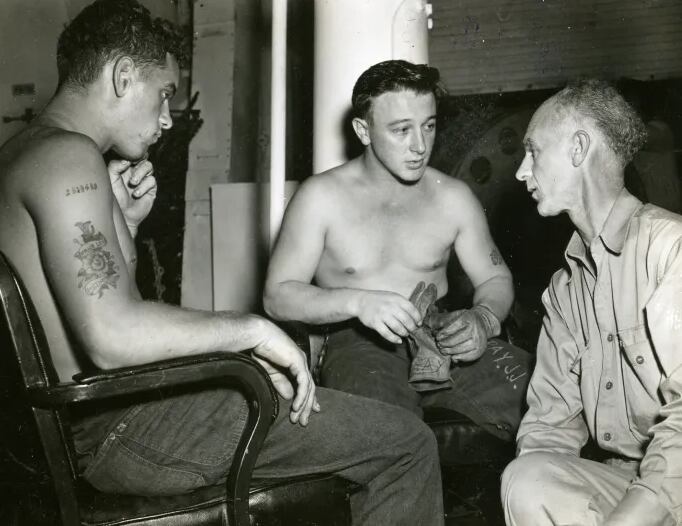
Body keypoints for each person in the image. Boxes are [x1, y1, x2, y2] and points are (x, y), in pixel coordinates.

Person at [0, 2, 445, 524]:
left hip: (87, 427)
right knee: (406, 443)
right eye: (163, 92)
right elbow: (110, 334)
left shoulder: (23, 152)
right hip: (119, 429)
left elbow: (90, 311)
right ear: (123, 76)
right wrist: (251, 331)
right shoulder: (69, 157)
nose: (167, 118)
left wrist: (128, 222)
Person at [264, 60, 531, 441]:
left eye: (429, 125)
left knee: (548, 404)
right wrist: (359, 303)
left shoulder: (453, 198)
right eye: (401, 130)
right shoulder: (321, 198)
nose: (420, 146)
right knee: (389, 440)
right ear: (363, 130)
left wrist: (483, 320)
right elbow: (277, 296)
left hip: (442, 332)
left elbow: (494, 276)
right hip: (358, 342)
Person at [501, 79, 682, 526]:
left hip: (670, 482)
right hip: (632, 483)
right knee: (528, 479)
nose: (522, 171)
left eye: (534, 151)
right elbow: (547, 429)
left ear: (579, 148)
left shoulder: (669, 250)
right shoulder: (566, 290)